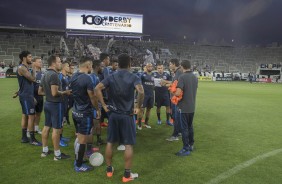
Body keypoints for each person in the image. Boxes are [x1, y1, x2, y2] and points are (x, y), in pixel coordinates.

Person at [95, 53, 144, 182]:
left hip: (113, 115)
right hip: (127, 115)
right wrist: (138, 107)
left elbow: (97, 88)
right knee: (128, 145)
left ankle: (109, 170)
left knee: (110, 142)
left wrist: (104, 105)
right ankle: (127, 175)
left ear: (118, 63)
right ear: (129, 64)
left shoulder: (111, 76)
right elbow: (141, 91)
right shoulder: (134, 77)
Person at [69, 56, 100, 172]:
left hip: (75, 111)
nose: (91, 68)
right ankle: (78, 165)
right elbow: (92, 96)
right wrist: (97, 109)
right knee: (82, 140)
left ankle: (79, 158)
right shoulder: (87, 79)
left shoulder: (73, 76)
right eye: (91, 66)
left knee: (79, 137)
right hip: (84, 113)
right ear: (88, 66)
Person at [38, 55, 71, 160]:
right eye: (59, 61)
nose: (60, 63)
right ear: (53, 63)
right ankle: (57, 155)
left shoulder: (45, 74)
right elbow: (55, 93)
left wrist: (48, 95)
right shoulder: (54, 75)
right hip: (56, 105)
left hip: (47, 104)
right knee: (56, 130)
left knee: (46, 126)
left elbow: (40, 91)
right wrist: (65, 92)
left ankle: (45, 151)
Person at [17, 51, 41, 146]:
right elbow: (32, 79)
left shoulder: (25, 68)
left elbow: (24, 84)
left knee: (25, 115)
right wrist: (34, 69)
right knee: (31, 116)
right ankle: (32, 139)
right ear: (24, 58)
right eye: (30, 57)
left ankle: (24, 137)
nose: (31, 58)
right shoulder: (22, 68)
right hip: (26, 96)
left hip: (27, 95)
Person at [174, 60, 198, 156]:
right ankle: (191, 144)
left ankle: (185, 148)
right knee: (190, 126)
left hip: (183, 106)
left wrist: (172, 91)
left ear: (181, 67)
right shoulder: (195, 77)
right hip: (192, 106)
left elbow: (178, 93)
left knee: (184, 128)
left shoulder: (182, 77)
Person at [161, 59, 183, 141]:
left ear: (174, 64)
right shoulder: (177, 72)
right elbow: (174, 82)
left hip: (176, 98)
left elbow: (175, 84)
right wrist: (166, 82)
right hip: (175, 98)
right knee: (176, 116)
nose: (169, 65)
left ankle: (175, 135)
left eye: (170, 64)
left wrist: (166, 84)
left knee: (176, 116)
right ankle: (180, 132)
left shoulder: (178, 72)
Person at [89, 60, 104, 148]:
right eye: (101, 66)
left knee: (95, 121)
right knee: (96, 121)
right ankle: (96, 141)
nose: (102, 68)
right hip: (94, 103)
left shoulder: (93, 76)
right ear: (97, 67)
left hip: (93, 102)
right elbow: (94, 93)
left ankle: (96, 139)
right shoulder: (94, 77)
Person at [137, 63, 154, 130]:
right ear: (146, 67)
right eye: (148, 66)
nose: (150, 67)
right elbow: (139, 85)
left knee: (149, 109)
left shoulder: (154, 75)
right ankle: (139, 124)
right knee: (141, 109)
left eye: (151, 66)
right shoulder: (142, 75)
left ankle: (146, 123)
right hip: (144, 95)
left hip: (151, 95)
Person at [32, 57, 44, 134]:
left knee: (38, 113)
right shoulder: (31, 72)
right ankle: (28, 130)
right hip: (33, 97)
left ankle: (36, 128)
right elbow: (28, 86)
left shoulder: (43, 73)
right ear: (35, 63)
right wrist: (32, 97)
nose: (41, 63)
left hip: (40, 97)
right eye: (39, 62)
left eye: (41, 62)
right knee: (30, 115)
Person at [99, 53, 110, 127]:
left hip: (98, 92)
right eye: (108, 59)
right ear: (105, 60)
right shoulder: (105, 69)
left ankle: (101, 122)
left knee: (101, 109)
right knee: (107, 108)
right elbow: (107, 82)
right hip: (104, 93)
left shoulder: (99, 67)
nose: (109, 61)